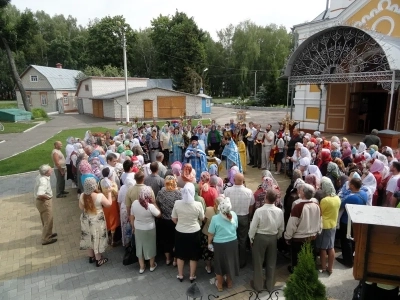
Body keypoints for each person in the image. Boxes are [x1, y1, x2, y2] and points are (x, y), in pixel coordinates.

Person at [249, 189, 284, 292]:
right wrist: (277, 236)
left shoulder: (259, 211)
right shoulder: (279, 211)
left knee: (258, 262)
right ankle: (270, 285)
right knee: (271, 262)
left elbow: (253, 227)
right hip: (273, 237)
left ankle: (258, 286)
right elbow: (281, 227)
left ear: (265, 198)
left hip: (260, 237)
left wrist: (251, 238)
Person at [284, 183, 321, 273]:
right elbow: (320, 221)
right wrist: (317, 232)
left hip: (299, 240)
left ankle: (297, 275)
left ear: (303, 193)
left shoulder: (298, 207)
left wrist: (287, 237)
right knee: (310, 259)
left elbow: (291, 224)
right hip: (312, 237)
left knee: (297, 261)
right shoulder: (316, 205)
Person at [172, 183, 205, 283]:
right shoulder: (198, 204)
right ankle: (192, 276)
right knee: (193, 255)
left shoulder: (177, 203)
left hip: (180, 231)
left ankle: (180, 275)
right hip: (194, 232)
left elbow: (173, 218)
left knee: (180, 254)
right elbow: (202, 218)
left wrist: (181, 224)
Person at [208, 196, 239, 292]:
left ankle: (220, 285)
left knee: (219, 265)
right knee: (230, 263)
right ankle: (229, 283)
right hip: (233, 243)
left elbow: (211, 233)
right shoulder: (234, 214)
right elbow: (236, 227)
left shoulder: (215, 218)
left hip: (220, 244)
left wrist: (209, 243)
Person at [79, 177, 112, 267]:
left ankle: (91, 256)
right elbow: (109, 204)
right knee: (97, 238)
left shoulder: (82, 195)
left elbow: (81, 208)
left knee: (89, 237)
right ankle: (98, 259)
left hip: (86, 219)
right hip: (97, 220)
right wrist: (109, 193)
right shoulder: (99, 196)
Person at [224, 173, 255, 268]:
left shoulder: (227, 191)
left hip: (230, 217)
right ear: (243, 181)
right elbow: (251, 205)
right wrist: (249, 216)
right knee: (242, 239)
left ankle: (232, 260)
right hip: (243, 217)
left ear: (234, 180)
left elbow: (224, 204)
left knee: (231, 239)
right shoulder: (249, 192)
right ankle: (242, 261)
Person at [337, 178, 368, 268]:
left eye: (350, 184)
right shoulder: (364, 193)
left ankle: (348, 261)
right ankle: (351, 257)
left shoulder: (351, 197)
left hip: (347, 222)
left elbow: (340, 204)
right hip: (357, 221)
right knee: (353, 240)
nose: (348, 185)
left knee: (346, 241)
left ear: (353, 186)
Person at [130, 186, 161, 273]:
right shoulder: (150, 206)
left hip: (138, 228)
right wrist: (155, 203)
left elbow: (132, 215)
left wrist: (133, 226)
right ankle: (152, 265)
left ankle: (142, 267)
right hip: (149, 229)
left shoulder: (134, 203)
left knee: (139, 247)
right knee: (151, 246)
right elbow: (159, 215)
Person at [317, 177, 341, 275]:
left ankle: (323, 267)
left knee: (323, 248)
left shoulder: (325, 200)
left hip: (325, 226)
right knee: (331, 247)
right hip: (333, 225)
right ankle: (330, 268)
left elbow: (320, 213)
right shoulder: (337, 198)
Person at [156, 175, 182, 266]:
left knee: (166, 240)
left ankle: (167, 259)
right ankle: (175, 260)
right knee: (175, 240)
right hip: (175, 221)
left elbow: (157, 203)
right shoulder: (178, 193)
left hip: (164, 220)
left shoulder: (161, 192)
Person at [34, 164, 57, 245]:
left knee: (46, 219)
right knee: (48, 219)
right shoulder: (43, 181)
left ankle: (48, 233)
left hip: (40, 202)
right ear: (46, 172)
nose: (52, 171)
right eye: (50, 170)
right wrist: (47, 198)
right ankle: (46, 239)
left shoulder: (40, 176)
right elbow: (40, 193)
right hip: (44, 202)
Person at [99, 167, 120, 246]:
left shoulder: (100, 182)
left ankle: (108, 237)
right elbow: (116, 193)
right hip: (113, 203)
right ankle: (113, 240)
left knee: (107, 219)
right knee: (113, 220)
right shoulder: (112, 184)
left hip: (104, 202)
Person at [117, 177, 135, 247]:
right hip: (132, 208)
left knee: (124, 226)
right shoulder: (133, 188)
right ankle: (133, 243)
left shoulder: (122, 188)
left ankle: (126, 243)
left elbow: (119, 201)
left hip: (123, 208)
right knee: (132, 226)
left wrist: (119, 210)